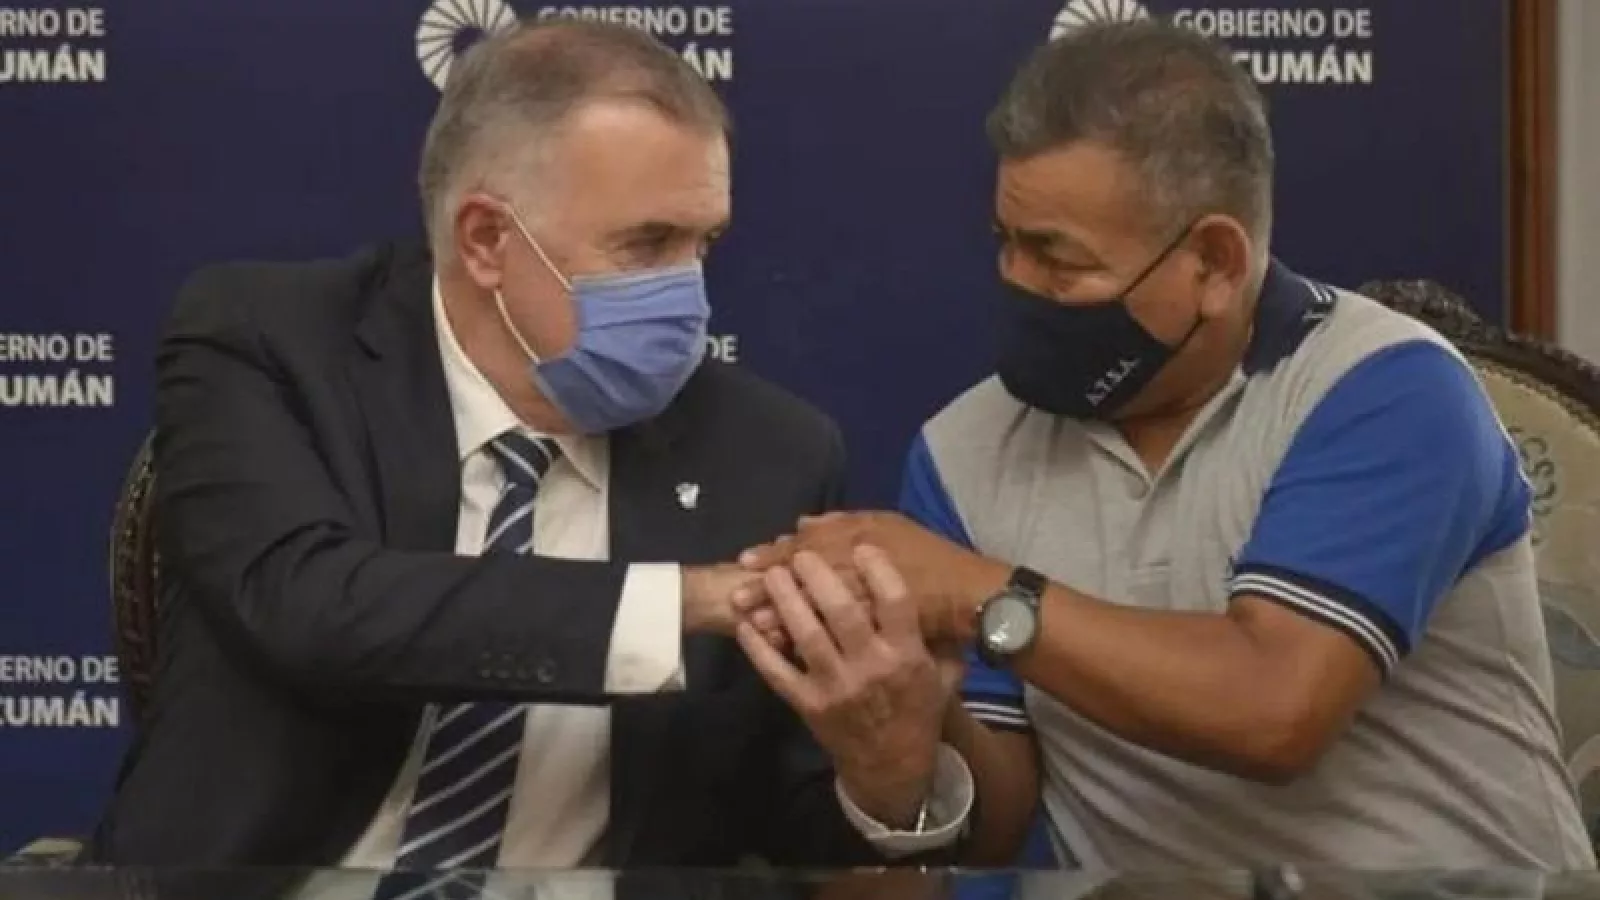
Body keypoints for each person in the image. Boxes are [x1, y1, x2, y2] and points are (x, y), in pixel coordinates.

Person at [88, 19, 973, 870]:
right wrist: (691, 601)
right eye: (648, 244)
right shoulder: (271, 343)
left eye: (705, 244)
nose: (690, 292)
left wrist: (887, 776)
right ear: (486, 240)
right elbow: (310, 603)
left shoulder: (770, 452)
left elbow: (782, 839)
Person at [739, 19, 1595, 871]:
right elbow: (998, 828)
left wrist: (976, 593)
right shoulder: (964, 449)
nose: (1017, 283)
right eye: (1006, 243)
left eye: (1057, 258)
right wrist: (906, 737)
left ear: (1215, 262)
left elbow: (1274, 711)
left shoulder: (1387, 388)